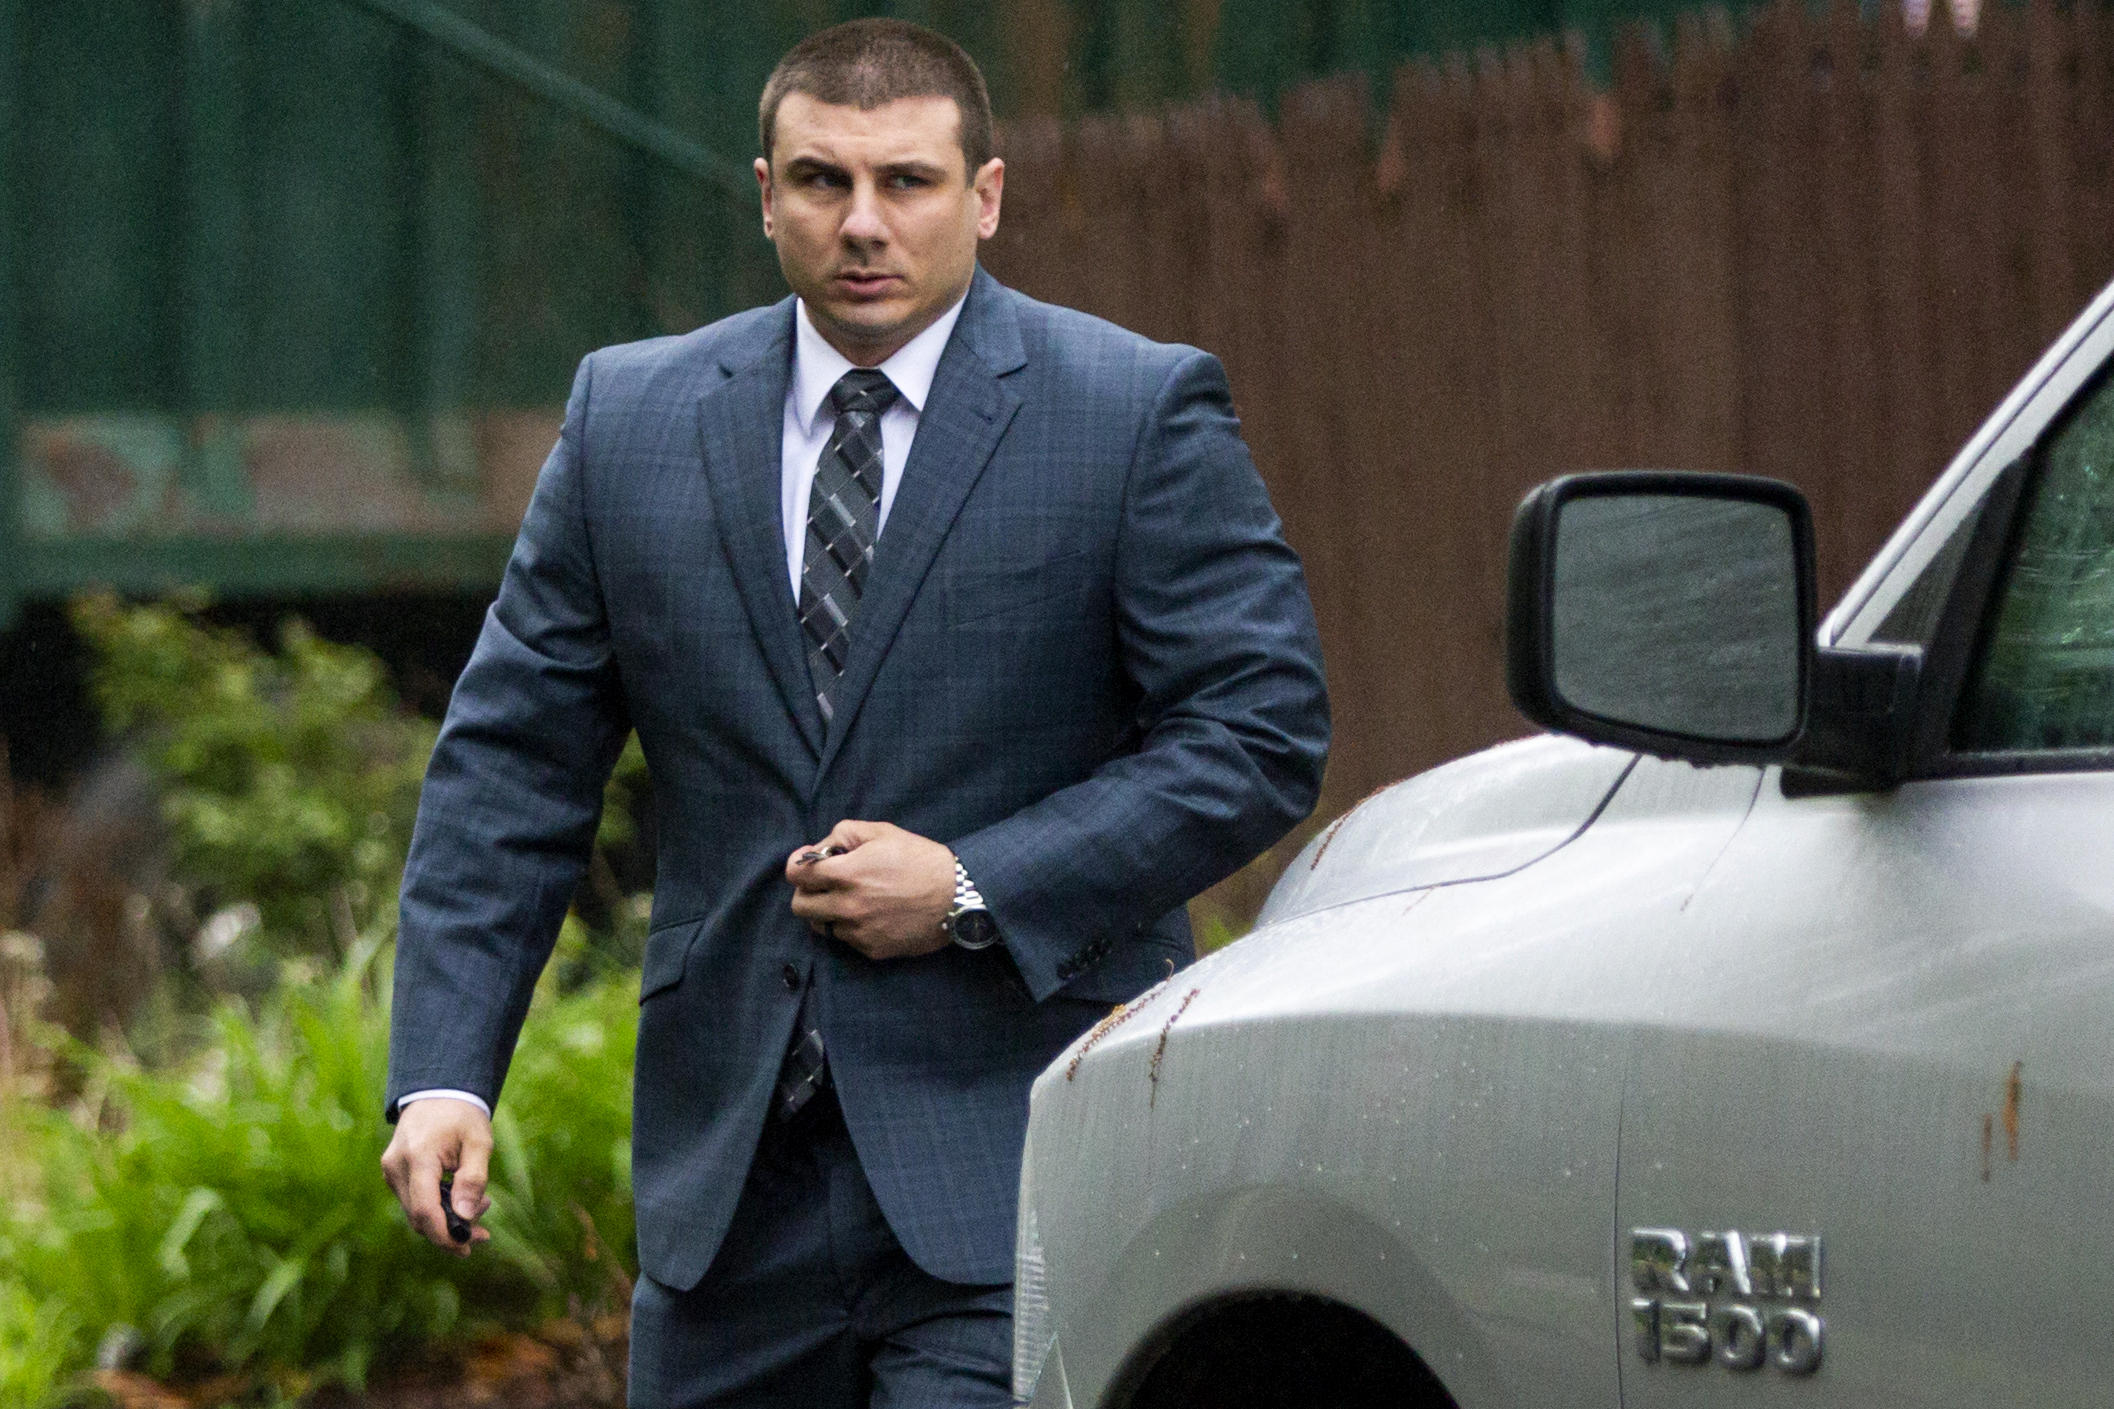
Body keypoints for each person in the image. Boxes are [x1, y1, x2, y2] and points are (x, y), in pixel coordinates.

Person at [379, 17, 1329, 1408]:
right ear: (764, 194)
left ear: (985, 196)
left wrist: (971, 882)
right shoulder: (631, 417)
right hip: (729, 1197)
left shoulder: (1128, 410)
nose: (863, 224)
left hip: (1012, 1161)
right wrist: (446, 1073)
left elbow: (1256, 730)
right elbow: (509, 772)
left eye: (908, 182)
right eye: (822, 181)